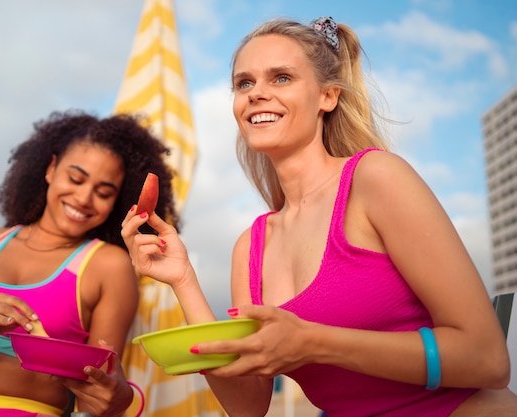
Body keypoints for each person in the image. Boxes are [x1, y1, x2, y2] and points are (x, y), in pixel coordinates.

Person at [121, 16, 517, 417]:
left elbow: (486, 358)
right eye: (244, 83)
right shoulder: (251, 247)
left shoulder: (376, 178)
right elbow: (248, 405)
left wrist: (313, 342)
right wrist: (183, 279)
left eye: (280, 78)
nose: (257, 94)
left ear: (327, 96)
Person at [0, 110, 180, 417]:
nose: (84, 198)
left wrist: (116, 396)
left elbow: (96, 402)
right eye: (75, 178)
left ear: (117, 201)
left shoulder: (108, 265)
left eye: (103, 192)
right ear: (51, 169)